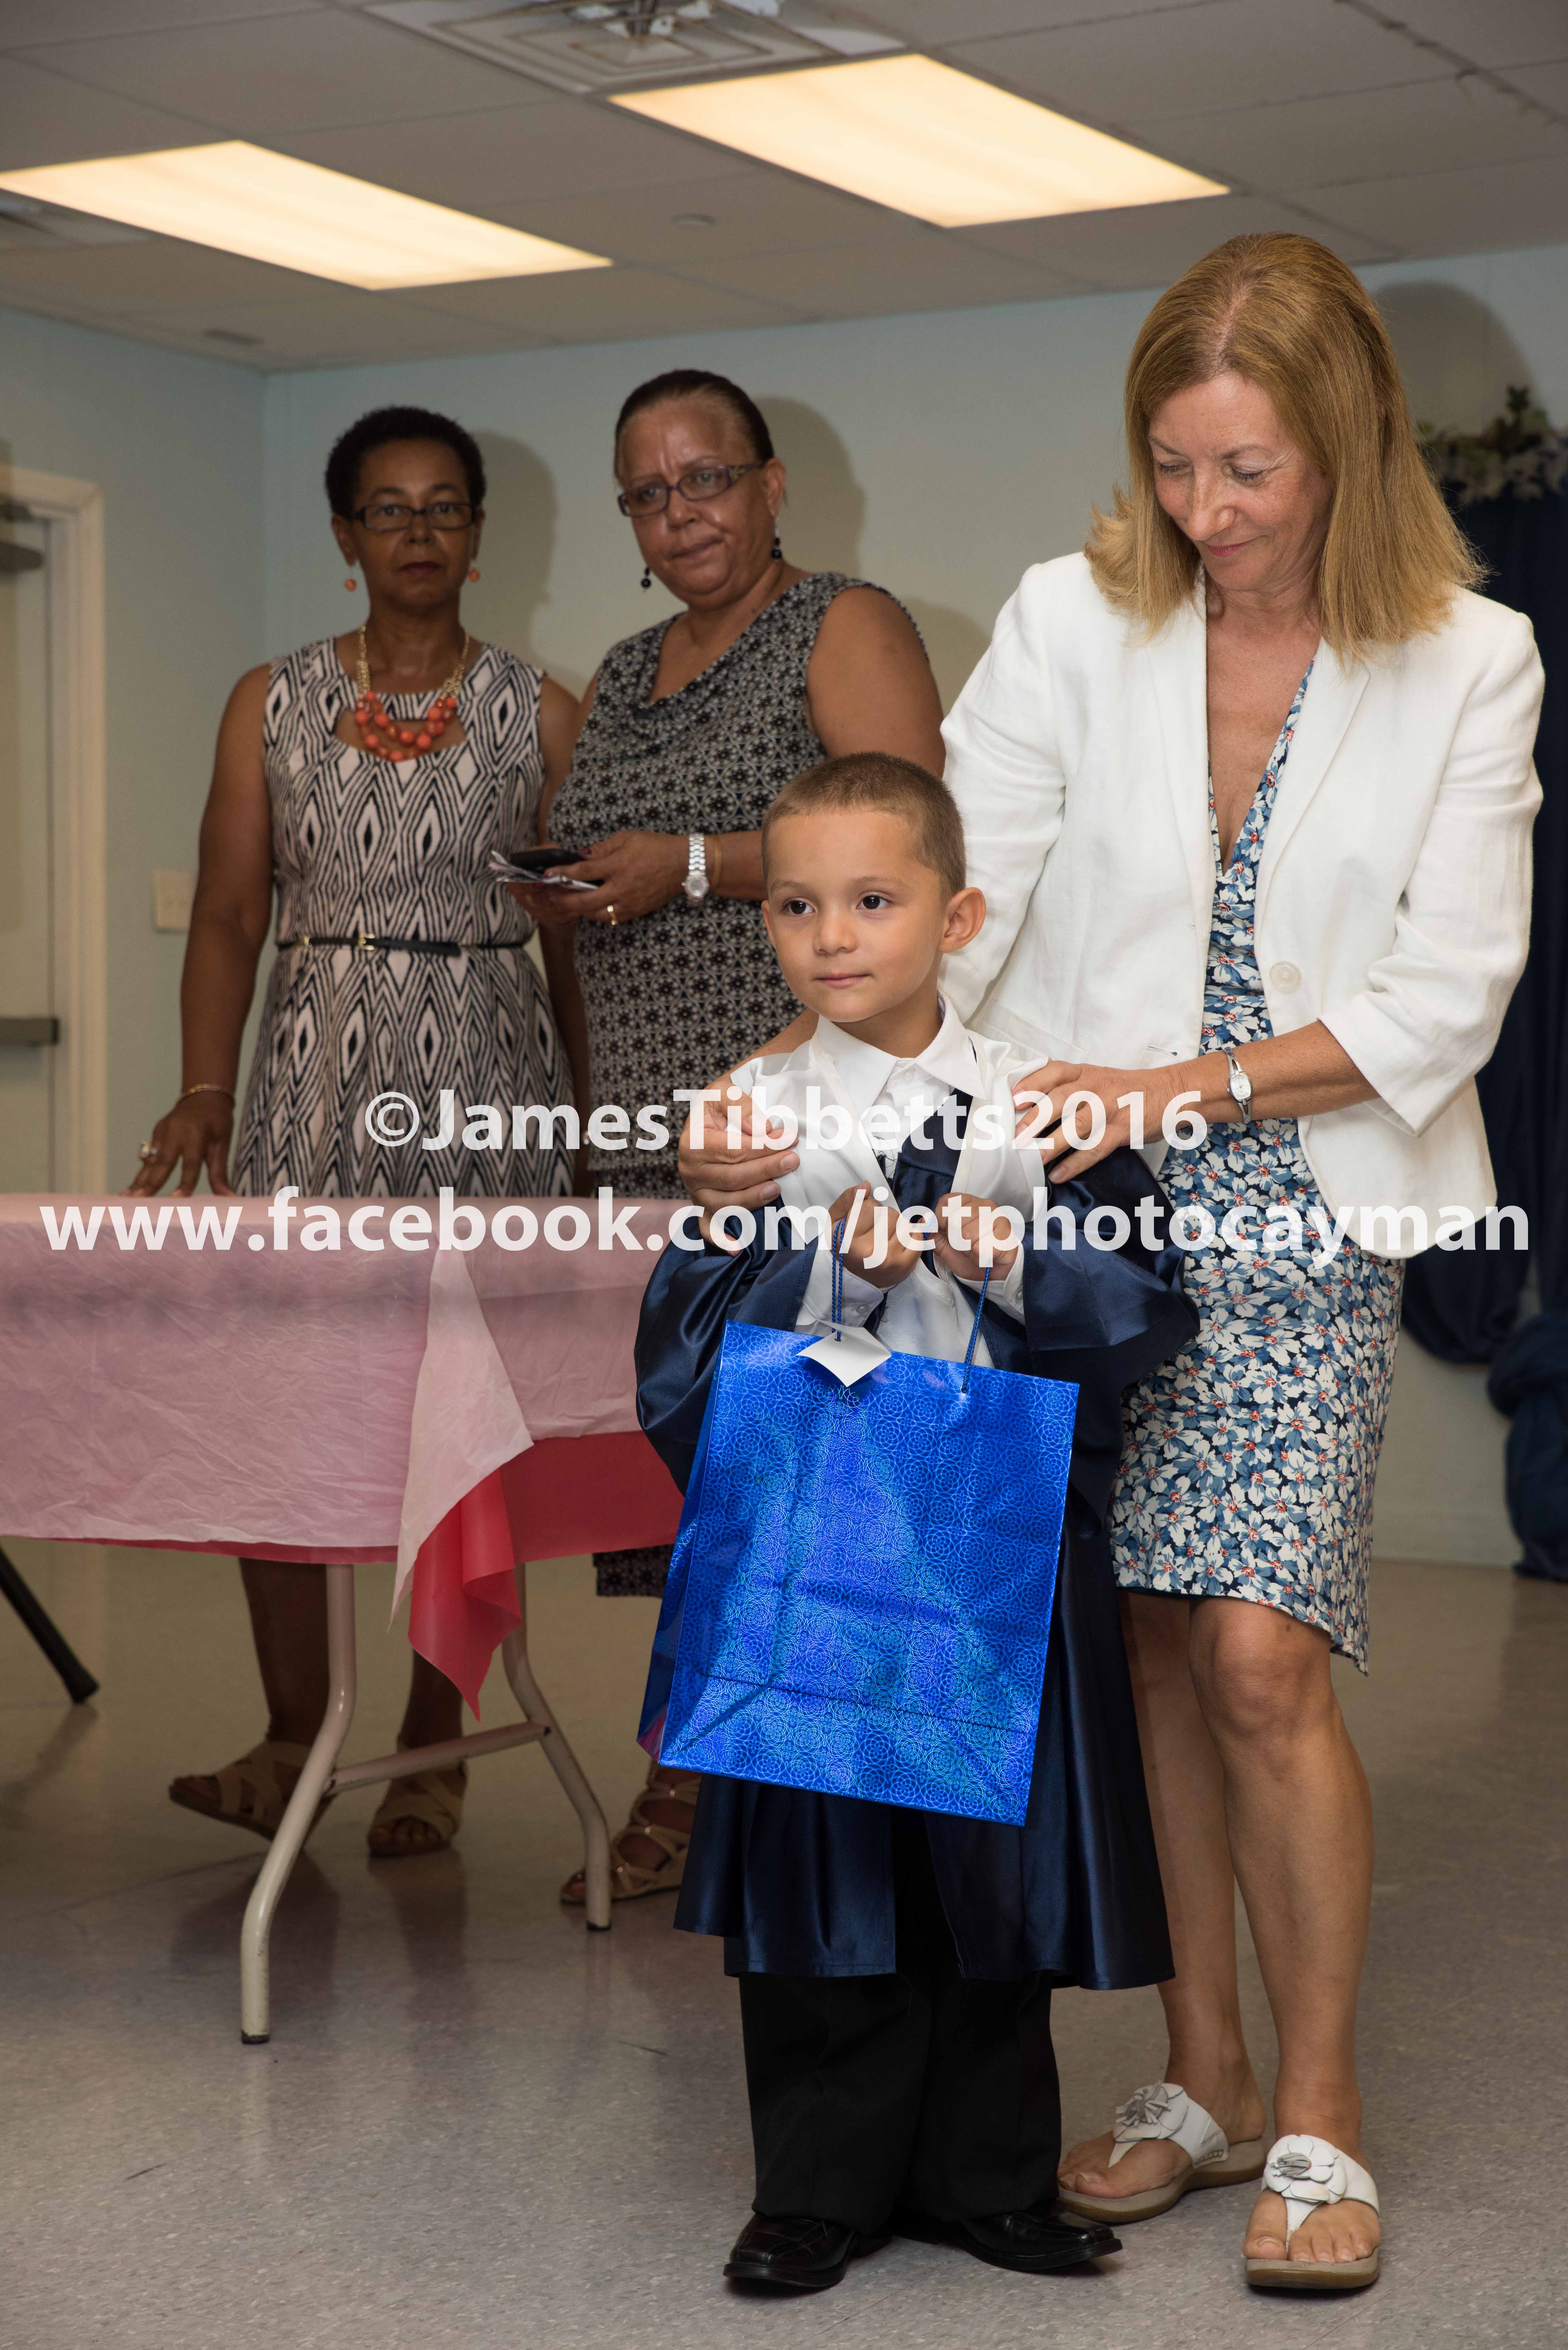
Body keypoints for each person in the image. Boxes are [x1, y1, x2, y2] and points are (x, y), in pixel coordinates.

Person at [678, 235, 1545, 2290]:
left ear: (1349, 446)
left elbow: (1447, 994)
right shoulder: (1076, 620)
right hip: (1063, 1199)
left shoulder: (1472, 656)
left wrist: (1186, 1083)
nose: (1207, 514)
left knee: (1257, 1653)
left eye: (1251, 471)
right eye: (1174, 465)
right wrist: (786, 1085)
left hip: (1299, 1187)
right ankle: (1200, 2074)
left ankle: (1319, 2119)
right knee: (1137, 1643)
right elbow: (946, 898)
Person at [634, 753, 1198, 2291]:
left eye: (873, 901)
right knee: (826, 1855)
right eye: (796, 906)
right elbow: (682, 1351)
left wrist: (1000, 1259)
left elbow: (1142, 1304)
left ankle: (986, 2177)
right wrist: (834, 1274)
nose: (832, 936)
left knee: (986, 1857)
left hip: (991, 1518)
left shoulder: (1043, 1105)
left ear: (957, 916)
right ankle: (815, 2187)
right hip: (819, 1523)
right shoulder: (750, 1117)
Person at [514, 367, 944, 1905]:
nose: (679, 511)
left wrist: (688, 863)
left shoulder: (840, 622)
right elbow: (616, 868)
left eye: (706, 477)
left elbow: (904, 834)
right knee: (697, 1458)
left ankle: (736, 1784)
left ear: (771, 487)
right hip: (658, 1123)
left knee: (809, 1446)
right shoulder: (626, 669)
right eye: (647, 491)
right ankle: (719, 1760)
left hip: (801, 1110)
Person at [131, 404, 581, 1858]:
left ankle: (433, 1745)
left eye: (445, 506)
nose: (419, 532)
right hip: (309, 1075)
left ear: (478, 533)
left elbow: (573, 941)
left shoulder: (539, 709)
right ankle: (287, 1737)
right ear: (345, 536)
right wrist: (207, 1086)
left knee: (460, 1415)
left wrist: (590, 1128)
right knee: (278, 1394)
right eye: (389, 509)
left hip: (488, 1077)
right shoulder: (268, 702)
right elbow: (226, 913)